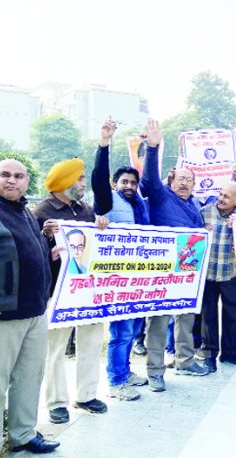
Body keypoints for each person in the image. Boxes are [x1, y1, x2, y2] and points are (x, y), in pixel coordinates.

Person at [0, 158, 60, 456]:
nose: (12, 180)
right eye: (5, 175)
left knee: (29, 378)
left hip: (34, 313)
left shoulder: (23, 209)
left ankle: (23, 435)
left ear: (27, 181)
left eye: (19, 176)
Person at [34, 158, 107, 424]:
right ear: (63, 182)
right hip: (57, 292)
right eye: (78, 178)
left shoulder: (85, 210)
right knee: (55, 349)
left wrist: (101, 226)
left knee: (91, 342)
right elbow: (33, 252)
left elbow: (94, 245)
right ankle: (56, 402)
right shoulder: (41, 212)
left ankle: (87, 395)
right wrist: (44, 235)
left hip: (87, 290)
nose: (82, 183)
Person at [140, 120, 211, 392]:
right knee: (158, 321)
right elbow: (148, 180)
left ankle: (185, 359)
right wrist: (153, 147)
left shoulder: (192, 206)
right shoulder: (160, 196)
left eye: (190, 181)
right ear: (171, 180)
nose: (185, 183)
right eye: (181, 179)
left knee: (186, 316)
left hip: (187, 270)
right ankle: (155, 371)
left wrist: (201, 231)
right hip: (160, 270)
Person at [91, 119, 151, 402]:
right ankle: (116, 382)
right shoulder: (108, 201)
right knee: (121, 331)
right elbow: (98, 177)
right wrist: (105, 144)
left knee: (135, 328)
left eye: (133, 182)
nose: (128, 185)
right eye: (123, 182)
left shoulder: (139, 205)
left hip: (140, 278)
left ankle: (125, 372)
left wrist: (152, 147)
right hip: (118, 281)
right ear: (115, 184)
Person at [198, 182, 236, 371]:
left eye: (227, 196)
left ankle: (230, 353)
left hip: (232, 272)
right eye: (220, 194)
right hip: (208, 273)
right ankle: (209, 355)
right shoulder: (204, 212)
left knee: (233, 313)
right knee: (208, 316)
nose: (221, 198)